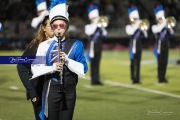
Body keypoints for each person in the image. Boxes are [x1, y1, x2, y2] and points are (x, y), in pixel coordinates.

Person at [30, 0, 88, 120]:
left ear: (66, 26)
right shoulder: (44, 46)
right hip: (52, 89)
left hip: (70, 91)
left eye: (61, 25)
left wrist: (67, 61)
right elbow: (35, 69)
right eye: (55, 26)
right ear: (51, 26)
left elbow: (84, 68)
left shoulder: (77, 45)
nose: (58, 29)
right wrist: (52, 68)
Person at [17, 15, 54, 120]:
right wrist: (32, 92)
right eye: (50, 25)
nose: (54, 27)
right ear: (43, 28)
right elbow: (21, 66)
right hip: (39, 92)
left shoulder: (62, 45)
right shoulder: (36, 46)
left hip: (56, 93)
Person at [152, 5, 175, 83]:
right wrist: (164, 23)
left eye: (162, 18)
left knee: (165, 63)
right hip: (159, 47)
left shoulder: (166, 27)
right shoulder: (155, 27)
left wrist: (169, 27)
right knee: (160, 63)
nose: (162, 20)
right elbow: (157, 30)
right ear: (157, 19)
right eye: (160, 19)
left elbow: (172, 34)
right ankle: (159, 77)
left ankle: (163, 77)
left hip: (166, 46)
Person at [85, 4, 107, 85]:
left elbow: (105, 34)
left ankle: (97, 80)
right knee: (93, 64)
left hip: (98, 47)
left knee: (97, 64)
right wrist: (96, 24)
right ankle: (93, 80)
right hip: (92, 47)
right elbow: (89, 32)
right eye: (94, 18)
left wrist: (101, 26)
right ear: (91, 18)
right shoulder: (89, 26)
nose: (96, 19)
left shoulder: (99, 27)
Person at [125, 5, 148, 84]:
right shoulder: (129, 27)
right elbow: (130, 32)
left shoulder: (140, 27)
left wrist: (143, 29)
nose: (135, 20)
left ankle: (137, 79)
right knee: (132, 63)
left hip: (139, 46)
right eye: (134, 19)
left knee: (138, 63)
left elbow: (146, 36)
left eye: (136, 19)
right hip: (132, 47)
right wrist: (137, 25)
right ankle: (132, 78)